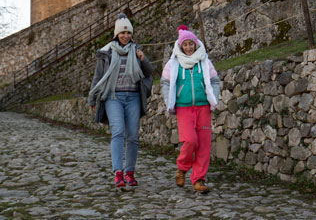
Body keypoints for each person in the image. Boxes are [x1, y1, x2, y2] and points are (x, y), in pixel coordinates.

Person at [88, 13, 153, 188]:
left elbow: (149, 71)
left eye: (128, 33)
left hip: (133, 97)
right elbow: (98, 77)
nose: (126, 36)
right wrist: (91, 98)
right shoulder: (106, 52)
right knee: (118, 132)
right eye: (122, 33)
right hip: (113, 97)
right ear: (116, 34)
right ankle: (118, 173)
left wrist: (143, 58)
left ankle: (129, 172)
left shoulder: (136, 50)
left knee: (132, 136)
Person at [161, 25, 220, 193]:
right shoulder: (173, 63)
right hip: (184, 108)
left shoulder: (204, 61)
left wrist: (214, 97)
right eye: (185, 44)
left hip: (203, 107)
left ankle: (199, 179)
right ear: (180, 46)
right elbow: (165, 83)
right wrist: (168, 99)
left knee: (203, 144)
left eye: (191, 44)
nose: (188, 47)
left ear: (195, 44)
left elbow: (215, 80)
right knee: (190, 141)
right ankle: (182, 168)